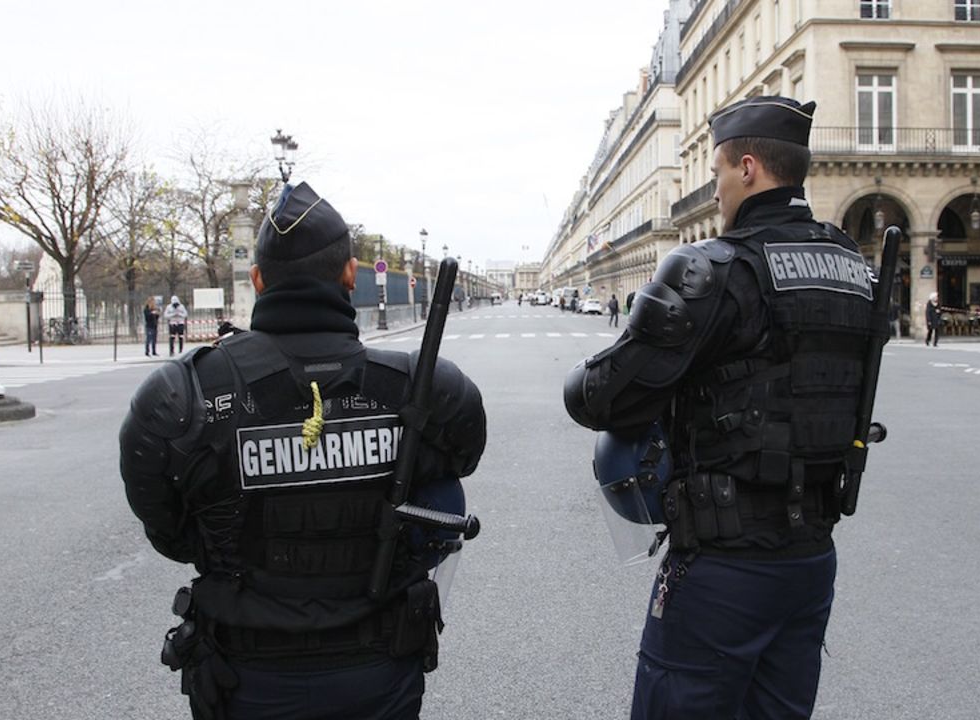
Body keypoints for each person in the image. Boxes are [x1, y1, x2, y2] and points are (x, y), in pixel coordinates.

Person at [564, 96, 883, 719]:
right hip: (812, 558)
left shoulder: (716, 268)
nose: (714, 194)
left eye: (715, 177)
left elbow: (601, 398)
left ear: (746, 168)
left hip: (724, 563)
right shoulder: (855, 270)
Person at [119, 181, 487, 720]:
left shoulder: (182, 395)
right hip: (380, 666)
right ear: (348, 273)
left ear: (258, 280)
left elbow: (170, 532)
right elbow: (457, 473)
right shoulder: (429, 388)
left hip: (244, 673)